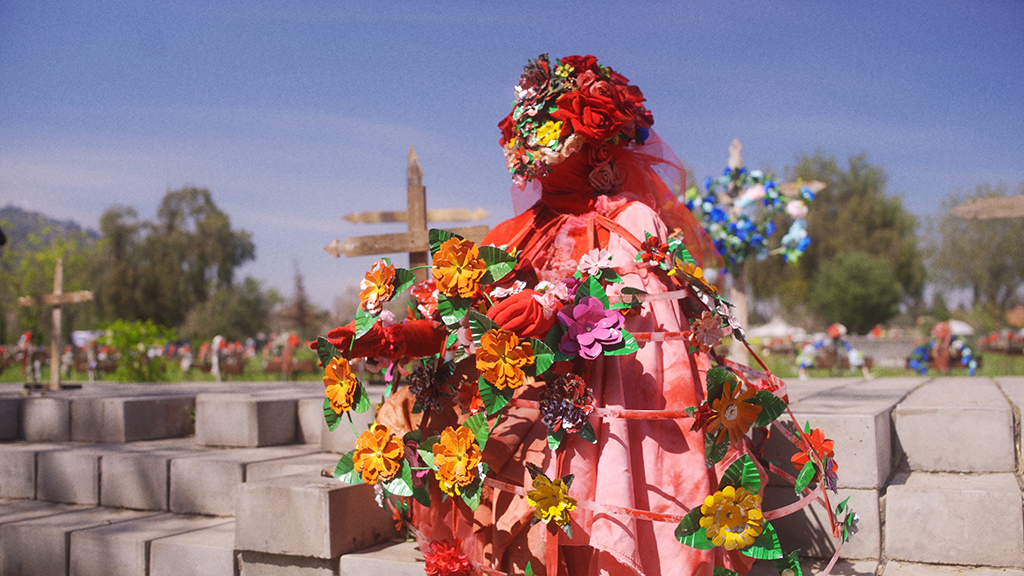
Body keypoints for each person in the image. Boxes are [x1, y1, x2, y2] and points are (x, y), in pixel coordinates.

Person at [367, 55, 761, 576]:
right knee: (420, 411)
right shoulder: (516, 233)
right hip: (529, 388)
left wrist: (552, 314)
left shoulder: (631, 220)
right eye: (529, 142)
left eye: (552, 139)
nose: (536, 156)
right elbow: (454, 318)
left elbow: (637, 319)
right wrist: (392, 338)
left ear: (596, 146)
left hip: (612, 396)